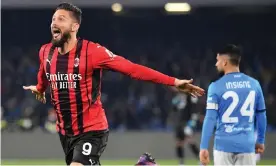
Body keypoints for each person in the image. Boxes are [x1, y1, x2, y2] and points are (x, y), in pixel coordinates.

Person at [23, 3, 205, 166]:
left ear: (74, 26)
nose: (54, 22)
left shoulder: (93, 52)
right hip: (65, 133)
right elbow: (44, 71)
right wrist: (40, 87)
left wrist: (173, 81)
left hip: (91, 130)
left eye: (61, 19)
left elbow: (133, 69)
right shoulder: (46, 51)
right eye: (53, 19)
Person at [199, 44, 267, 165]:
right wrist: (260, 140)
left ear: (225, 62)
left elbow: (210, 118)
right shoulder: (254, 84)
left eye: (217, 60)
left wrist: (203, 146)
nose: (216, 64)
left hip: (223, 145)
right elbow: (261, 115)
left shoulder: (215, 86)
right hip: (247, 145)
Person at [171, 89, 200, 165]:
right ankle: (181, 162)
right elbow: (174, 108)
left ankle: (200, 159)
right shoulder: (178, 98)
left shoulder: (191, 97)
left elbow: (194, 109)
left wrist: (192, 122)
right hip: (179, 122)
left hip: (187, 122)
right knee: (179, 143)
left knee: (190, 140)